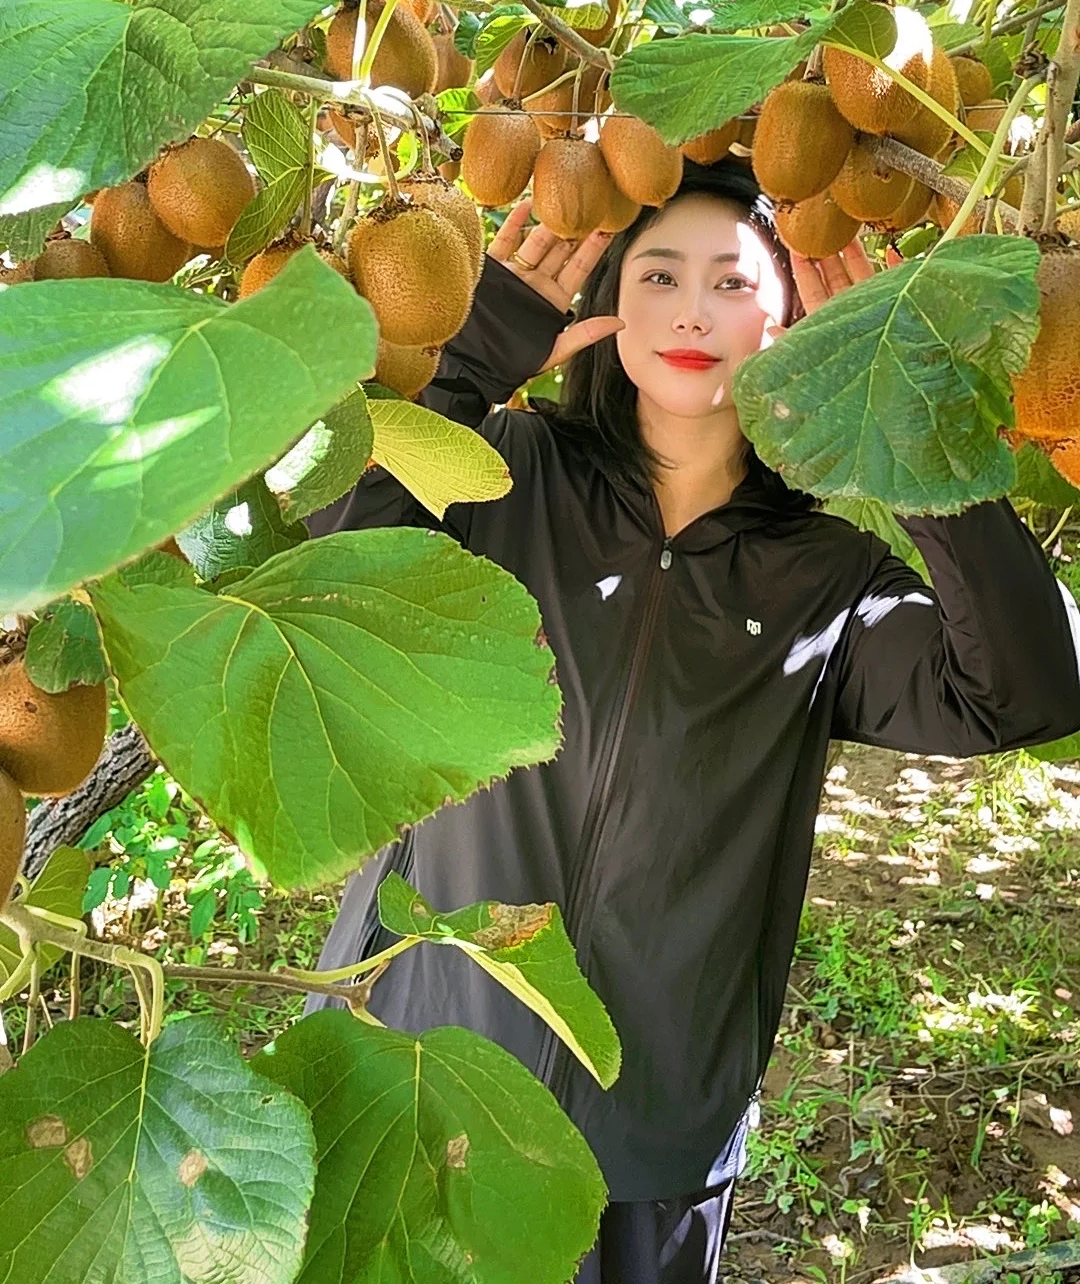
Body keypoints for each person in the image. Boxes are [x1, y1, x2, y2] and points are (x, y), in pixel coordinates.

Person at [308, 156, 1080, 1284]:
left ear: (794, 321)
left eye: (731, 283)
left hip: (650, 1136)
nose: (689, 312)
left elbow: (1031, 688)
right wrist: (476, 353)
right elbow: (326, 547)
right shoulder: (500, 475)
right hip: (421, 1072)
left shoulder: (830, 576)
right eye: (658, 275)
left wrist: (911, 415)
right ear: (611, 303)